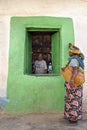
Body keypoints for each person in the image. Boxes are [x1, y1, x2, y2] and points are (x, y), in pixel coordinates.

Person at [64, 43, 85, 123]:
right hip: (78, 83)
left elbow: (75, 70)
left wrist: (72, 80)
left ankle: (73, 118)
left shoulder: (73, 59)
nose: (69, 52)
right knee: (77, 99)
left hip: (73, 83)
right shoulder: (79, 59)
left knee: (72, 99)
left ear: (73, 52)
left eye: (70, 51)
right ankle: (75, 117)